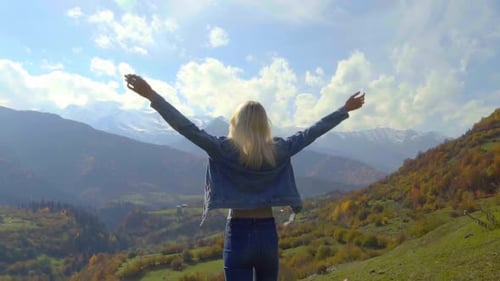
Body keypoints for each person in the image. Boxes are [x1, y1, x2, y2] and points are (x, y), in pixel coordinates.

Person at [124, 74, 365, 281]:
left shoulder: (223, 149)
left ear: (236, 125)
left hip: (238, 233)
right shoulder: (279, 150)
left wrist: (153, 96)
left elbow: (187, 128)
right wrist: (343, 110)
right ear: (264, 126)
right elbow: (312, 132)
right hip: (267, 233)